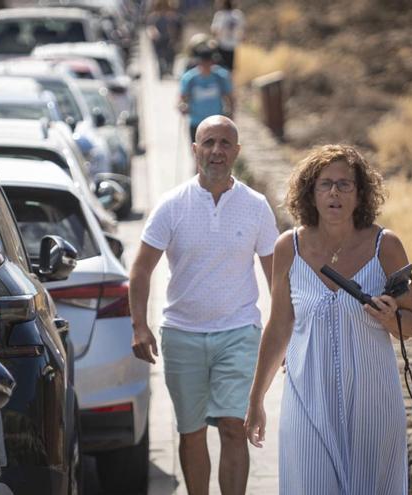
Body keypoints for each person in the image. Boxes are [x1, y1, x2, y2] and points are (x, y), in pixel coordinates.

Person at [245, 144, 412, 494]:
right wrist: (256, 399)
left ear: (361, 193)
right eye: (325, 184)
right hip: (307, 398)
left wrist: (390, 320)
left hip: (373, 402)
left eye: (344, 184)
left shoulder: (386, 246)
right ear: (311, 193)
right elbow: (278, 327)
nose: (334, 192)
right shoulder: (288, 248)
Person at [130, 115, 278, 495]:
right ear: (195, 149)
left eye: (225, 143)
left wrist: (284, 338)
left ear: (237, 151)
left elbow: (277, 277)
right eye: (209, 142)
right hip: (182, 335)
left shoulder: (256, 206)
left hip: (239, 333)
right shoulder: (171, 205)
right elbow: (141, 269)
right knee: (191, 432)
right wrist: (139, 325)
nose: (216, 151)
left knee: (233, 427)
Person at [179, 46, 234, 144]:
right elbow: (182, 98)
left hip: (216, 122)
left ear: (212, 62)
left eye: (208, 62)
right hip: (196, 122)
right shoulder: (189, 78)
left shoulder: (220, 76)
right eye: (203, 62)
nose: (205, 65)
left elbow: (229, 96)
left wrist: (231, 113)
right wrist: (183, 106)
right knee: (198, 150)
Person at [146, 0, 182, 78]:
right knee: (160, 56)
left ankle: (169, 70)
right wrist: (154, 34)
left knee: (170, 55)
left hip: (168, 39)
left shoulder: (171, 16)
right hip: (158, 40)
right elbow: (150, 28)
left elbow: (176, 27)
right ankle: (162, 71)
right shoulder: (153, 17)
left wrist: (175, 38)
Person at [211, 0, 245, 72]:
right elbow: (242, 30)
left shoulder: (220, 15)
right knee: (230, 69)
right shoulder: (238, 15)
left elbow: (215, 31)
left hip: (222, 45)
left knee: (219, 68)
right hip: (233, 45)